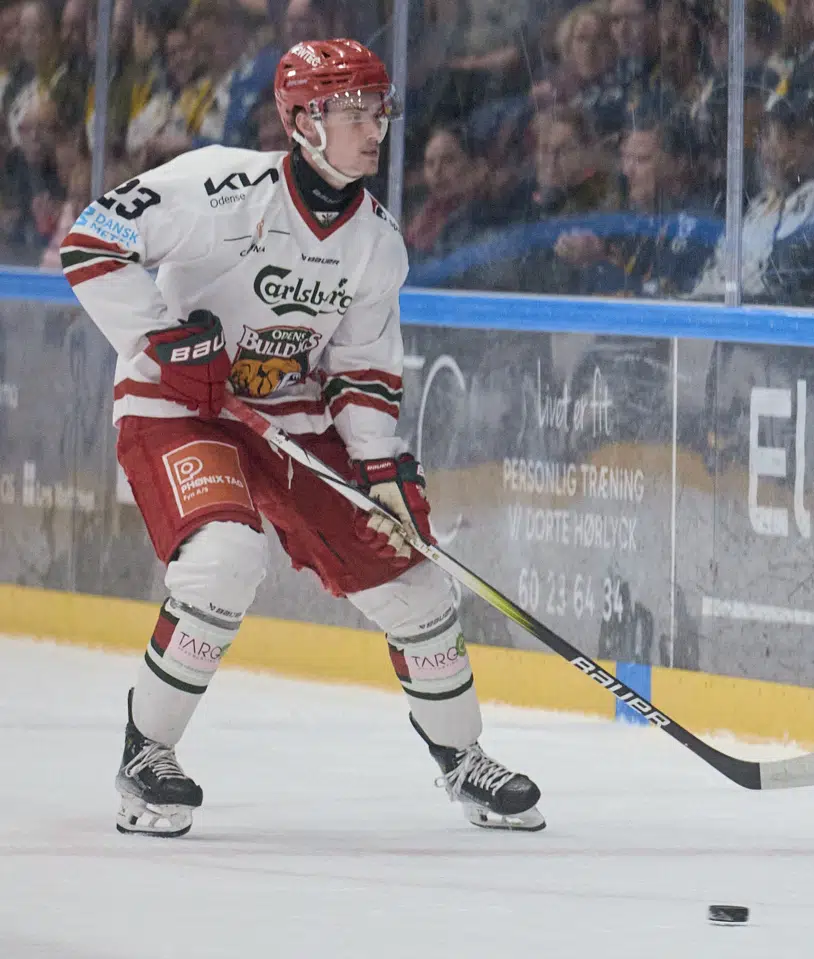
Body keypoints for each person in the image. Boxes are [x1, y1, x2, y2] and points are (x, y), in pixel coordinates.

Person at [61, 38, 544, 838]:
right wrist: (161, 339)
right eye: (351, 109)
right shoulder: (217, 186)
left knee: (416, 583)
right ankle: (147, 758)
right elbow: (91, 239)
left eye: (378, 109)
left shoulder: (378, 242)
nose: (373, 127)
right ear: (302, 121)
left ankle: (464, 759)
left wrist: (379, 467)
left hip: (291, 419)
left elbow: (360, 368)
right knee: (223, 559)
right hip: (178, 408)